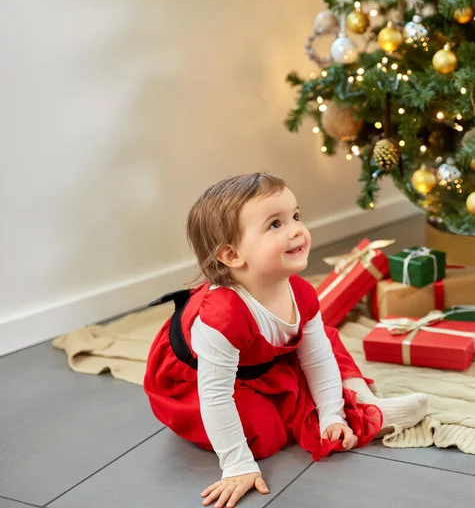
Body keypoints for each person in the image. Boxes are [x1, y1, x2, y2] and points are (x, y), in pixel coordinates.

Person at [144, 173, 428, 508]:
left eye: (295, 216)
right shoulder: (222, 317)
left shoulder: (301, 293)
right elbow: (215, 396)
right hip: (204, 380)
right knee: (263, 432)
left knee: (326, 341)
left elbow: (317, 358)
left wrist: (331, 416)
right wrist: (237, 464)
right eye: (275, 225)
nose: (296, 230)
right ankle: (356, 411)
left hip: (264, 358)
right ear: (232, 255)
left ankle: (361, 402)